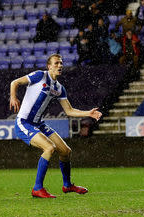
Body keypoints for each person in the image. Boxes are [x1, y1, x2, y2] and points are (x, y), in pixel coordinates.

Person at [9, 54, 102, 198]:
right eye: (57, 63)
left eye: (61, 63)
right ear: (49, 66)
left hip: (39, 124)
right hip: (24, 122)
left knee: (65, 151)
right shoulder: (40, 76)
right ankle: (37, 188)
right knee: (49, 147)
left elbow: (69, 110)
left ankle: (67, 185)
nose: (60, 65)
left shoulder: (59, 88)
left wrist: (88, 113)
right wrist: (13, 97)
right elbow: (14, 82)